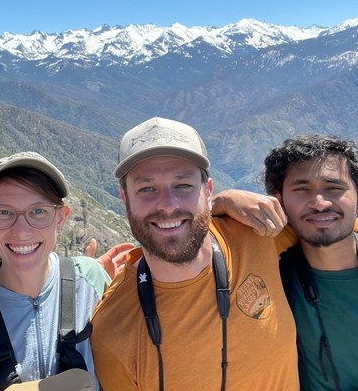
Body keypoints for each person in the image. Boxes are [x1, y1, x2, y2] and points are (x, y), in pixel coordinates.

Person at [90, 116, 300, 390]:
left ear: (208, 191)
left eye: (183, 185)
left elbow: (339, 226)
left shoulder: (257, 233)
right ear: (125, 200)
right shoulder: (113, 328)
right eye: (147, 189)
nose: (167, 204)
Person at [263, 134, 358, 391]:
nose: (320, 203)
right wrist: (222, 202)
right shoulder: (269, 278)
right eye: (301, 189)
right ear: (279, 202)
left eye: (334, 188)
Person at [0, 151, 111, 390]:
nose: (22, 231)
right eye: (5, 212)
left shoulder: (90, 281)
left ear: (61, 217)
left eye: (38, 211)